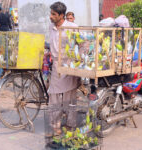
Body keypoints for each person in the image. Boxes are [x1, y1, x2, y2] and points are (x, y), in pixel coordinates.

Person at [47, 2, 79, 136]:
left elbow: (83, 44)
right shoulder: (51, 27)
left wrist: (79, 62)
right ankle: (55, 125)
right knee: (53, 95)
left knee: (70, 96)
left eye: (53, 14)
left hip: (70, 66)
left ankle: (71, 124)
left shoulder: (73, 27)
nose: (50, 16)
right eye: (51, 13)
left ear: (61, 15)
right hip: (56, 66)